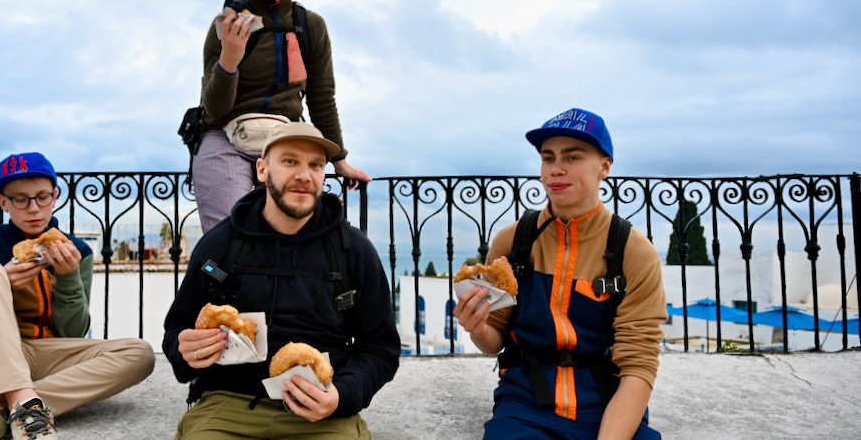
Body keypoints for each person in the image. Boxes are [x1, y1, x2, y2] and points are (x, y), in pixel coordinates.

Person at [164, 123, 400, 439]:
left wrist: (341, 396)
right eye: (290, 161)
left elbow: (380, 348)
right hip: (229, 404)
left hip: (322, 411)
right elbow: (177, 329)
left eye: (315, 164)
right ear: (262, 170)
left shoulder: (353, 250)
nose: (304, 174)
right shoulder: (219, 245)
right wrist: (184, 351)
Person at [453, 108, 667, 439]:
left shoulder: (634, 252)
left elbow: (638, 364)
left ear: (604, 167)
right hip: (526, 404)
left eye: (572, 157)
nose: (556, 169)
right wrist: (477, 328)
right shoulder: (512, 242)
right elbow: (494, 338)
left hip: (609, 404)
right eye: (548, 158)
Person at [0, 152, 155, 440]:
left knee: (139, 354)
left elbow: (74, 332)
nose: (33, 208)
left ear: (55, 196)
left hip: (47, 358)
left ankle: (0, 411)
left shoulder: (76, 251)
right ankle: (26, 408)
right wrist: (1, 285)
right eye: (20, 199)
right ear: (3, 202)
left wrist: (68, 277)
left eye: (42, 197)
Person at [192, 0, 372, 233]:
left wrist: (339, 158)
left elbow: (321, 97)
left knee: (286, 240)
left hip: (283, 140)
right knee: (227, 239)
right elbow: (214, 109)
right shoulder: (226, 25)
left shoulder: (310, 26)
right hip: (226, 138)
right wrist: (230, 59)